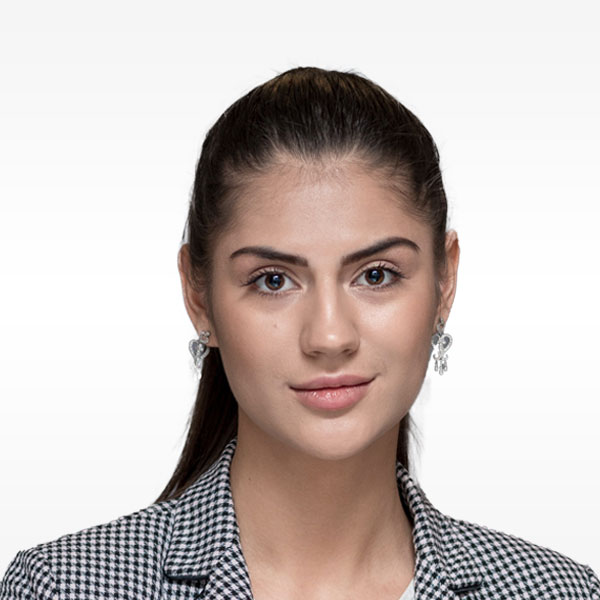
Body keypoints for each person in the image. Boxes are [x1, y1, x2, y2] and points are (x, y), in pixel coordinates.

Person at [1, 66, 598, 600]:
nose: (329, 336)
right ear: (198, 295)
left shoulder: (558, 593)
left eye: (376, 274)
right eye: (273, 281)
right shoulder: (62, 587)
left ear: (445, 283)